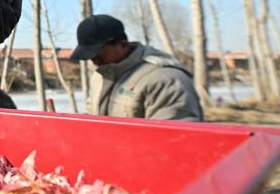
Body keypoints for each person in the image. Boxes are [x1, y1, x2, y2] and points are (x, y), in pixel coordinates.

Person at [69, 14, 203, 121]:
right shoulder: (100, 74)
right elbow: (93, 114)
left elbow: (173, 140)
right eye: (90, 57)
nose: (95, 61)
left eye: (99, 54)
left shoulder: (165, 80)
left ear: (122, 44)